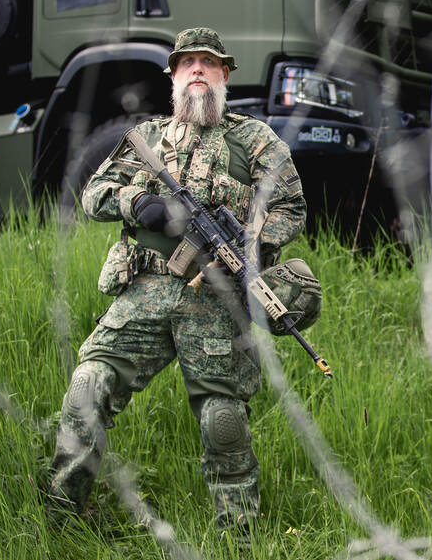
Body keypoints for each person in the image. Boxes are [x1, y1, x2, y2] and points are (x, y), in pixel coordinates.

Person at [48, 27, 309, 538]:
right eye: (186, 62)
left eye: (207, 63)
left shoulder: (254, 140)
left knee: (222, 422)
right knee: (87, 386)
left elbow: (291, 207)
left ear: (224, 75)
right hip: (143, 291)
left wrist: (244, 245)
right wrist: (137, 203)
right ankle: (60, 518)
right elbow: (94, 192)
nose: (196, 70)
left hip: (216, 298)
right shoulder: (145, 139)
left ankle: (238, 537)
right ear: (172, 75)